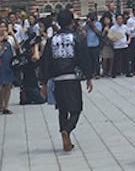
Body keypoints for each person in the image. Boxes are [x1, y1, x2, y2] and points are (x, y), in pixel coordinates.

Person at [38, 9, 93, 152]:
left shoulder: (52, 40)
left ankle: (65, 137)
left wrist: (43, 82)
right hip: (72, 77)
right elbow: (84, 58)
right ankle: (67, 131)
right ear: (71, 22)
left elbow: (45, 62)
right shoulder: (77, 38)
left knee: (62, 110)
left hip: (57, 79)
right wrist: (88, 77)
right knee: (76, 109)